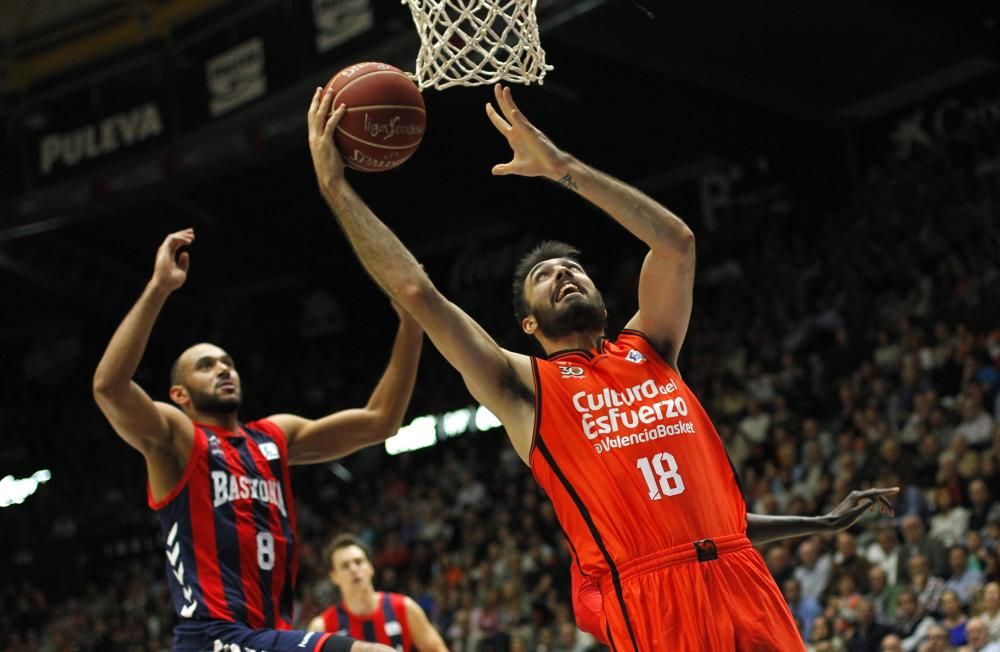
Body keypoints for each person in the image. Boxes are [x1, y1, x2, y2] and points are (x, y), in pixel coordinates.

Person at [307, 83, 896, 650]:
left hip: (743, 576)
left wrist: (564, 167)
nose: (563, 274)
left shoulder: (652, 348)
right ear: (529, 325)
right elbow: (417, 291)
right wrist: (336, 189)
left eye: (573, 269)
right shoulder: (523, 386)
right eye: (544, 277)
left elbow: (676, 243)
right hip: (653, 597)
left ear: (603, 299)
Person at [92, 229, 424, 652]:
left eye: (228, 363)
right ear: (179, 395)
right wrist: (159, 288)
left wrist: (411, 326)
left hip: (268, 634)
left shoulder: (273, 436)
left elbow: (380, 422)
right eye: (206, 366)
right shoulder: (178, 440)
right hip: (213, 636)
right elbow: (109, 387)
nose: (223, 370)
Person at [307, 533, 447, 651]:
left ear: (370, 567)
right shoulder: (322, 626)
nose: (354, 569)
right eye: (345, 566)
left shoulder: (404, 607)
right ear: (334, 576)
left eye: (358, 561)